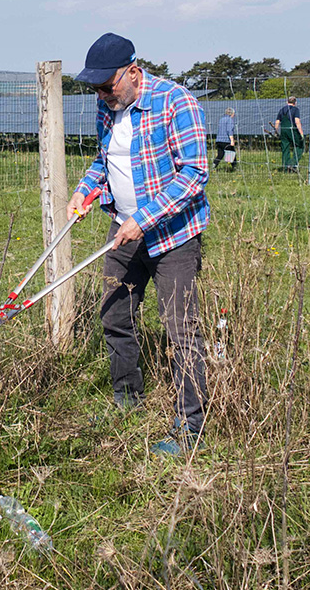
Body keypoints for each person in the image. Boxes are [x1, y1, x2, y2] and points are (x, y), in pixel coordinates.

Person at [67, 33, 209, 457]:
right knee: (114, 315)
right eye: (95, 89)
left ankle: (189, 428)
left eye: (107, 86)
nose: (102, 95)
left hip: (173, 235)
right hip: (122, 230)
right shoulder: (107, 104)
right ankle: (127, 401)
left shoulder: (176, 102)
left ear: (132, 71)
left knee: (180, 329)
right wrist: (85, 189)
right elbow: (104, 158)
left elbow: (195, 174)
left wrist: (142, 219)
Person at [273, 95, 304, 172]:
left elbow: (277, 122)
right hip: (292, 130)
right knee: (300, 145)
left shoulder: (282, 110)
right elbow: (297, 121)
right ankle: (292, 164)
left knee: (285, 148)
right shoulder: (295, 110)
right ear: (295, 103)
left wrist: (276, 131)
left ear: (287, 102)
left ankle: (285, 168)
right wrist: (301, 133)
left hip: (283, 130)